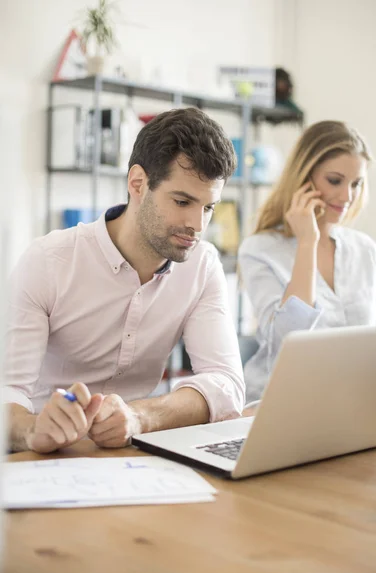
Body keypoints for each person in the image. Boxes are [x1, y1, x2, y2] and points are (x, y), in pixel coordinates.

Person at [4, 107, 245, 453]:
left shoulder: (202, 266)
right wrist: (32, 429)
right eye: (182, 201)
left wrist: (139, 418)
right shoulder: (48, 261)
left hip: (134, 454)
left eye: (208, 207)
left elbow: (226, 384)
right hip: (43, 457)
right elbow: (7, 389)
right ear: (137, 184)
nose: (197, 225)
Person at [238, 120, 376, 406]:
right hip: (280, 405)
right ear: (304, 178)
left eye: (356, 184)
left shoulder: (365, 251)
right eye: (335, 180)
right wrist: (307, 243)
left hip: (352, 405)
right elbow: (289, 339)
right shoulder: (259, 250)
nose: (347, 196)